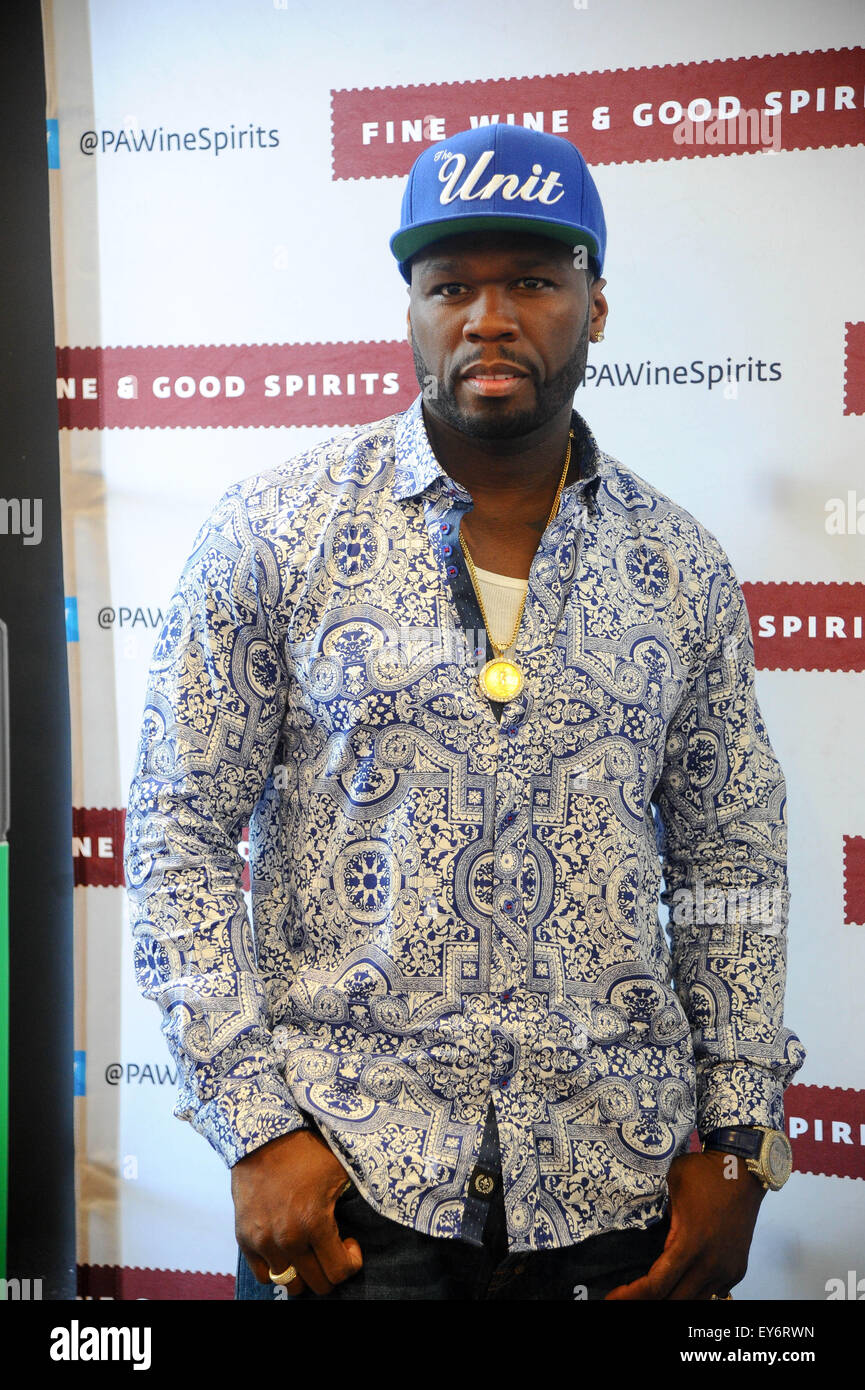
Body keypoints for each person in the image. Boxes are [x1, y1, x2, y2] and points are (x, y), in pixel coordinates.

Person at [124, 124, 805, 1301]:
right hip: (348, 1190)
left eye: (532, 282)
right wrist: (252, 1124)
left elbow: (729, 858)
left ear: (596, 307)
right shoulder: (273, 533)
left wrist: (740, 1140)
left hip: (612, 1194)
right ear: (411, 311)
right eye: (452, 285)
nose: (489, 316)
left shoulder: (681, 569)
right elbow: (174, 832)